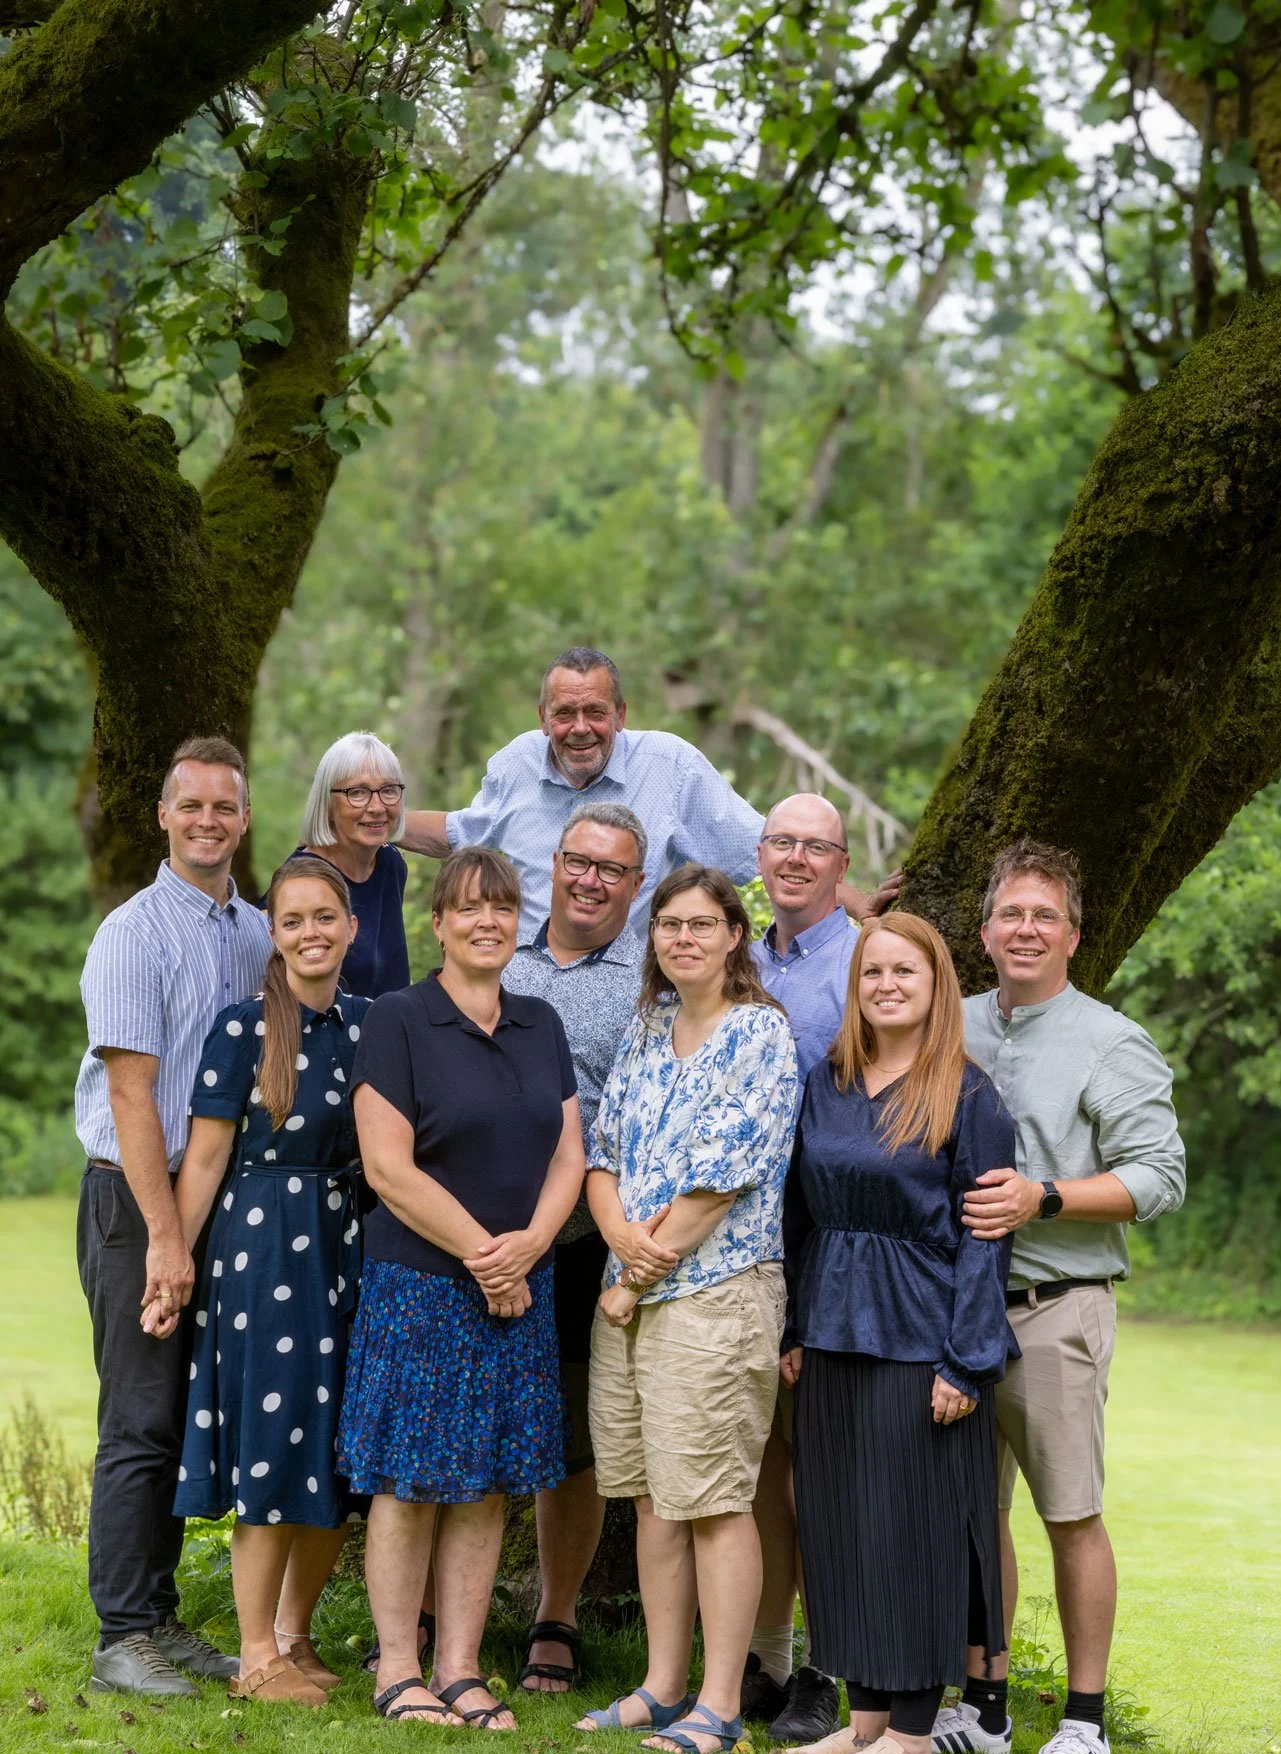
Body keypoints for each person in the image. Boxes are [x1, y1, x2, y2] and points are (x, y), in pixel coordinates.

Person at [934, 839, 1185, 1754]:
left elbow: (1159, 1178)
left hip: (1053, 1307)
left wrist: (1043, 1196)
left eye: (1045, 915)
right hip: (955, 1313)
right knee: (972, 1514)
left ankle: (1085, 1724)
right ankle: (983, 1707)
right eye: (1010, 914)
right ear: (987, 930)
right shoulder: (948, 1024)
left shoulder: (1109, 1040)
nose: (1025, 929)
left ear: (1072, 934)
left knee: (1068, 1513)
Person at [337, 846, 584, 1730]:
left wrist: (530, 1248)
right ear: (437, 923)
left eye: (503, 907)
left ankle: (461, 1669)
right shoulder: (398, 1021)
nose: (488, 921)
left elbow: (569, 1155)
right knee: (408, 1482)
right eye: (469, 907)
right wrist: (490, 1256)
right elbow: (387, 1168)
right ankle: (398, 1670)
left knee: (486, 1483)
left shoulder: (539, 1023)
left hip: (521, 1287)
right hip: (422, 1288)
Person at [781, 911, 1016, 1754]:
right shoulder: (828, 1081)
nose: (885, 986)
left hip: (924, 1340)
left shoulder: (968, 1094)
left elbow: (986, 1241)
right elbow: (797, 1218)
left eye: (903, 974)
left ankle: (913, 1742)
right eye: (871, 972)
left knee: (913, 1535)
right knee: (844, 1527)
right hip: (833, 1330)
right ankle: (865, 1720)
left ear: (935, 988)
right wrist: (794, 1328)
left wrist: (966, 1359)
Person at [575, 864, 798, 1754]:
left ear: (734, 935)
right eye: (667, 925)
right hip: (626, 1294)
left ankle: (719, 1702)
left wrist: (633, 1274)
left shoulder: (760, 1035)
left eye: (701, 924)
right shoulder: (648, 1026)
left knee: (712, 1499)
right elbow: (602, 1153)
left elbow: (722, 1175)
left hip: (713, 1293)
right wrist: (616, 1241)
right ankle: (662, 1685)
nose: (682, 939)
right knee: (654, 1502)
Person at [74, 736, 274, 1697]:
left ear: (243, 817)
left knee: (187, 1415)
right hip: (134, 1200)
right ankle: (122, 1636)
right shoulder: (133, 933)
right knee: (141, 1419)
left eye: (223, 807)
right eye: (188, 805)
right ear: (163, 815)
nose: (206, 821)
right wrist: (164, 1238)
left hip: (214, 1205)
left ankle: (159, 1617)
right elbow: (131, 1097)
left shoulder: (258, 932)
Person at [149, 858, 369, 1704]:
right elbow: (204, 1159)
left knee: (330, 1450)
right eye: (292, 921)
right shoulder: (244, 1030)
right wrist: (174, 1263)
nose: (311, 932)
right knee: (273, 1446)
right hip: (263, 1251)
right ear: (271, 937)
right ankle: (253, 1655)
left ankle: (294, 1634)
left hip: (345, 1246)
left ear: (350, 927)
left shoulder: (371, 1025)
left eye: (326, 917)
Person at [400, 647, 897, 940]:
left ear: (620, 714)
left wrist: (854, 903)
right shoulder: (517, 764)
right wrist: (375, 822)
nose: (579, 729)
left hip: (630, 1000)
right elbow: (463, 832)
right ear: (542, 718)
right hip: (523, 998)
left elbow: (761, 849)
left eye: (595, 713)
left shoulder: (668, 765)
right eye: (563, 715)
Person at [502, 802, 647, 1694]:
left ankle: (554, 1616)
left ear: (635, 884)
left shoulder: (649, 977)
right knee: (471, 1415)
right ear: (552, 864)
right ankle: (449, 1610)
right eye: (578, 861)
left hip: (592, 1237)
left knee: (576, 1443)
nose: (590, 879)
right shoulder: (496, 954)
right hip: (481, 1233)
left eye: (612, 869)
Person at [744, 792, 859, 1743]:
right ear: (759, 853)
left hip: (831, 1237)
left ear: (839, 863)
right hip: (745, 1237)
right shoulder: (741, 959)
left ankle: (828, 1667)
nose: (795, 859)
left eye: (814, 847)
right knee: (758, 1464)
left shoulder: (863, 961)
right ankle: (766, 1660)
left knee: (818, 1468)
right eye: (781, 842)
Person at [297, 731, 410, 999]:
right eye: (357, 793)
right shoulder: (302, 881)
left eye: (388, 790)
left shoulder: (390, 864)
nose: (377, 806)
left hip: (389, 1032)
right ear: (326, 803)